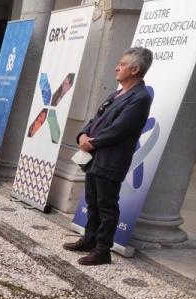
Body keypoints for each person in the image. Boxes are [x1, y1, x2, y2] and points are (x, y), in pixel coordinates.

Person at [64, 47, 153, 265]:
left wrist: (90, 143)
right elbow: (97, 118)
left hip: (111, 159)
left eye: (121, 64)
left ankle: (103, 250)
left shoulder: (140, 98)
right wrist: (83, 133)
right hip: (95, 156)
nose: (116, 67)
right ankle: (89, 239)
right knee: (92, 201)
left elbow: (118, 129)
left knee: (106, 205)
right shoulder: (117, 93)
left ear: (135, 69)